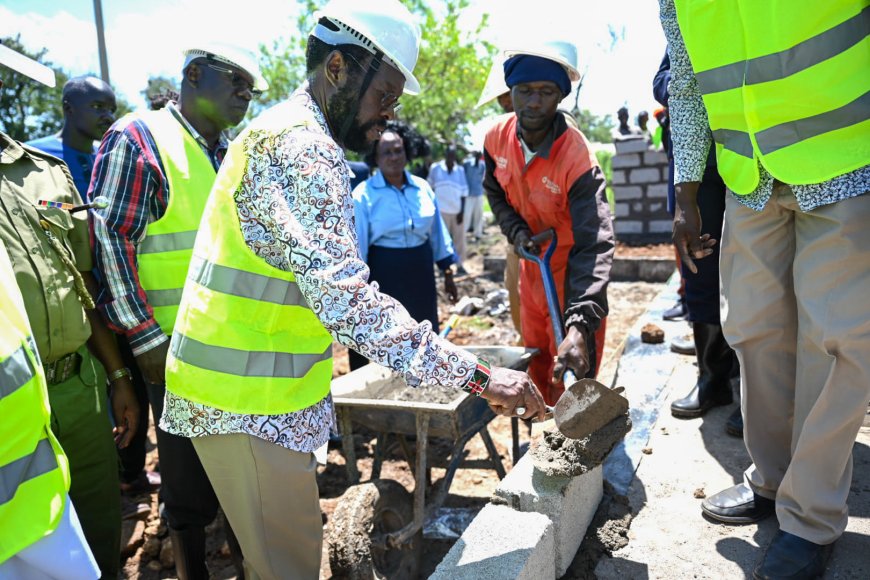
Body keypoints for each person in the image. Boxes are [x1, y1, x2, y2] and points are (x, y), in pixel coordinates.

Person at [162, 1, 547, 576]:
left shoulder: (277, 131)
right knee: (289, 568)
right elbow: (349, 304)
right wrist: (482, 376)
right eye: (384, 97)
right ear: (337, 68)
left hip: (251, 398)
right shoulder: (304, 149)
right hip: (245, 404)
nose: (387, 118)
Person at [661, 1, 869, 577]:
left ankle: (812, 517)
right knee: (754, 330)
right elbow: (687, 83)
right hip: (749, 179)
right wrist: (686, 191)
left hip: (847, 161)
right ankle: (773, 482)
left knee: (833, 343)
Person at [89, 40, 262, 577]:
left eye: (251, 89)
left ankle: (248, 564)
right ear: (193, 75)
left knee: (242, 482)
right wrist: (143, 339)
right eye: (235, 81)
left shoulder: (233, 150)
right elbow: (110, 239)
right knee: (188, 496)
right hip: (175, 358)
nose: (245, 95)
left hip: (239, 355)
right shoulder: (140, 139)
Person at [0, 48, 139, 580]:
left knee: (99, 525)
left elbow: (82, 284)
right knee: (29, 544)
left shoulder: (44, 175)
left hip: (80, 386)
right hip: (14, 408)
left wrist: (117, 374)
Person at [483, 40, 614, 406]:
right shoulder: (495, 139)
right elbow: (494, 191)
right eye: (525, 91)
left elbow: (596, 243)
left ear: (560, 97)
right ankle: (540, 437)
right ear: (511, 92)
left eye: (546, 92)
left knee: (574, 363)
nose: (534, 102)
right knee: (536, 362)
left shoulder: (576, 157)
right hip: (532, 269)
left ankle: (576, 443)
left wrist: (579, 322)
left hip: (573, 275)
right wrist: (515, 230)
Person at [653, 51, 741, 433]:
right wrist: (685, 85)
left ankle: (761, 395)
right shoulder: (687, 22)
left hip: (747, 157)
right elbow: (662, 81)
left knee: (757, 272)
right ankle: (713, 380)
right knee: (701, 266)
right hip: (696, 168)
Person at [349, 121, 457, 370]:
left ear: (407, 151)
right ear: (375, 157)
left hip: (420, 271)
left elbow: (438, 235)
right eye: (386, 152)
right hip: (385, 274)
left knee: (423, 333)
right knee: (388, 337)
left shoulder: (423, 188)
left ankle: (425, 387)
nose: (394, 157)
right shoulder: (364, 195)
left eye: (398, 150)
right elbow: (360, 246)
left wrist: (447, 271)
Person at [27, 76, 117, 199]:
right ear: (69, 108)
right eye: (97, 106)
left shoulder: (109, 159)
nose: (109, 117)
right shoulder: (32, 154)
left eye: (112, 110)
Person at [428, 143, 469, 272]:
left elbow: (464, 193)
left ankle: (460, 264)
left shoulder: (460, 171)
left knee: (459, 239)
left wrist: (462, 211)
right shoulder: (436, 168)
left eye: (453, 155)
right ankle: (442, 266)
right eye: (449, 155)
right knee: (441, 240)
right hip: (440, 211)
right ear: (445, 155)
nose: (451, 158)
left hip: (456, 211)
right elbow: (429, 189)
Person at [463, 150, 486, 239]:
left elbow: (483, 178)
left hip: (479, 192)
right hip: (469, 194)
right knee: (467, 215)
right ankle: (463, 234)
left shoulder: (482, 165)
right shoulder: (467, 164)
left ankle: (478, 233)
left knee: (479, 214)